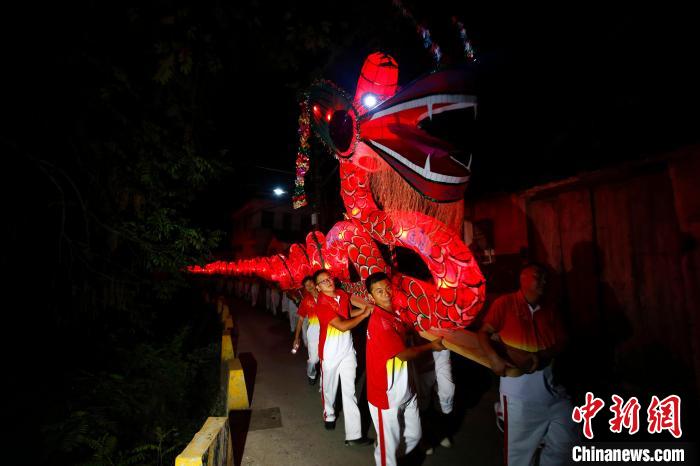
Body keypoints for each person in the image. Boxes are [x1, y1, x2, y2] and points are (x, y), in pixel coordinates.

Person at [478, 263, 578, 466]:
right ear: (523, 279)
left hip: (554, 391)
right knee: (519, 457)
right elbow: (483, 334)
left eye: (545, 277)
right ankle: (503, 412)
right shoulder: (505, 304)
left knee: (566, 442)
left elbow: (563, 340)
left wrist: (542, 355)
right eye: (538, 276)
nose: (544, 281)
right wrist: (494, 358)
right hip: (520, 397)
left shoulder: (549, 308)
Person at [365, 272, 447, 466]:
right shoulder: (381, 323)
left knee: (414, 434)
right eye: (378, 291)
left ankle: (402, 457)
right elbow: (404, 354)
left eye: (387, 288)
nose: (385, 293)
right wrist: (431, 346)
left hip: (406, 387)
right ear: (371, 297)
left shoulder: (394, 314)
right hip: (386, 395)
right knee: (388, 448)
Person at [313, 269, 373, 446]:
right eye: (323, 281)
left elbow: (347, 314)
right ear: (318, 287)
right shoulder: (321, 305)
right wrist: (364, 314)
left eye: (329, 278)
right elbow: (342, 326)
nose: (329, 282)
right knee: (329, 389)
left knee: (350, 391)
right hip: (330, 353)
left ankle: (354, 435)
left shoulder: (342, 294)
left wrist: (365, 308)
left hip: (347, 351)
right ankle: (329, 413)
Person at [293, 276, 320, 385]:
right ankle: (311, 374)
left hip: (329, 331)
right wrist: (296, 338)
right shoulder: (305, 301)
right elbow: (300, 320)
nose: (309, 286)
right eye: (306, 285)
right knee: (313, 359)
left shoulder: (326, 295)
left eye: (310, 283)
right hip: (313, 332)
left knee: (326, 359)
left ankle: (325, 382)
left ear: (315, 283)